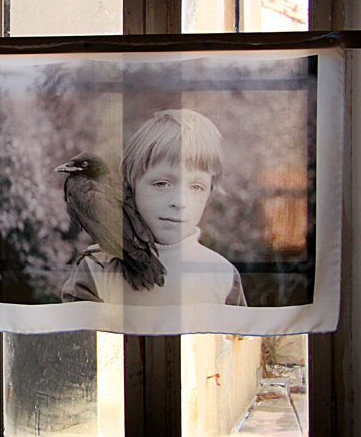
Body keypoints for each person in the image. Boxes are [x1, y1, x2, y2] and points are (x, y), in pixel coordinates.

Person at [61, 108, 246, 307]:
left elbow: (241, 338)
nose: (179, 202)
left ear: (209, 194)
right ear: (130, 187)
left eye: (196, 187)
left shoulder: (222, 274)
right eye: (161, 184)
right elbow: (78, 338)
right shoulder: (96, 267)